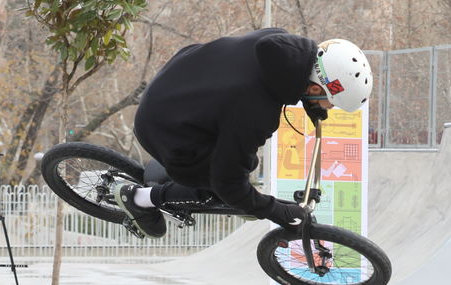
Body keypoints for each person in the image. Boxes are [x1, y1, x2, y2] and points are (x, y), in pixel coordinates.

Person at [113, 30, 373, 238]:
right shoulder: (257, 110)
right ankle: (139, 199)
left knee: (244, 161)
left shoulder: (279, 44)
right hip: (159, 125)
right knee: (218, 190)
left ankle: (179, 169)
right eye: (331, 102)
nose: (329, 109)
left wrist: (310, 104)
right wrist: (271, 209)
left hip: (171, 85)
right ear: (316, 89)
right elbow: (228, 183)